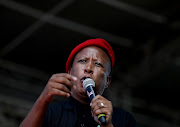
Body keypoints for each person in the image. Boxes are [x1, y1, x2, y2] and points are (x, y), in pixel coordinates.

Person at [19, 38, 136, 127]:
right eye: (83, 61)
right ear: (70, 72)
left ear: (107, 81)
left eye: (97, 64)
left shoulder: (123, 119)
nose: (88, 68)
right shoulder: (51, 112)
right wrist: (43, 99)